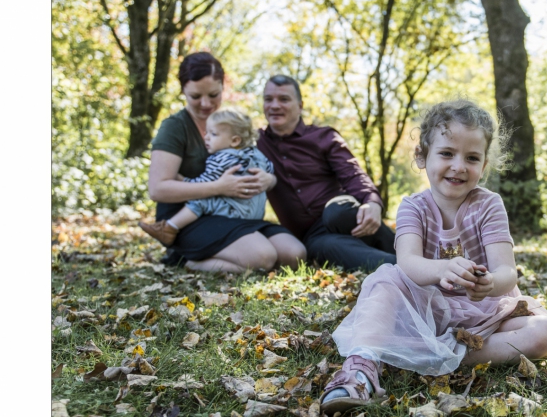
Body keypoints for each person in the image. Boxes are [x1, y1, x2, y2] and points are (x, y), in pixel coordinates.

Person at [319, 99, 547, 416]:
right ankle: (361, 368)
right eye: (447, 153)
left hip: (485, 314)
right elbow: (409, 263)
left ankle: (433, 358)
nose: (459, 165)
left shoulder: (489, 205)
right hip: (428, 311)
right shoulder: (413, 207)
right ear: (422, 156)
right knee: (387, 279)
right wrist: (443, 268)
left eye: (472, 158)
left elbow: (507, 272)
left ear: (484, 165)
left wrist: (489, 284)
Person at [146, 52, 306, 273]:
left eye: (213, 94)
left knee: (294, 254)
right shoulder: (174, 127)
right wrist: (219, 187)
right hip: (188, 217)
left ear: (223, 87)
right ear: (183, 90)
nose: (206, 104)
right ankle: (187, 260)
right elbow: (158, 189)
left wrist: (267, 180)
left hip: (234, 213)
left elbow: (257, 167)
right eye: (195, 96)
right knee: (263, 257)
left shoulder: (229, 123)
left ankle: (240, 255)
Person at [256, 75, 396, 271]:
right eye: (268, 99)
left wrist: (372, 202)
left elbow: (352, 173)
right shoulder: (256, 144)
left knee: (336, 212)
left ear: (300, 105)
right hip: (314, 236)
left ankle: (418, 253)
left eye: (284, 99)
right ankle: (408, 268)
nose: (274, 105)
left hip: (341, 215)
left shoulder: (323, 137)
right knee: (333, 248)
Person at [139, 108, 273, 246]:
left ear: (234, 141)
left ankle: (169, 228)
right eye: (207, 132)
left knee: (202, 200)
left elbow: (203, 184)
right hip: (255, 214)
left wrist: (183, 180)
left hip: (234, 213)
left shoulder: (221, 159)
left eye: (213, 134)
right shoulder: (257, 154)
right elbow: (270, 169)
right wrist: (268, 178)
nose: (206, 137)